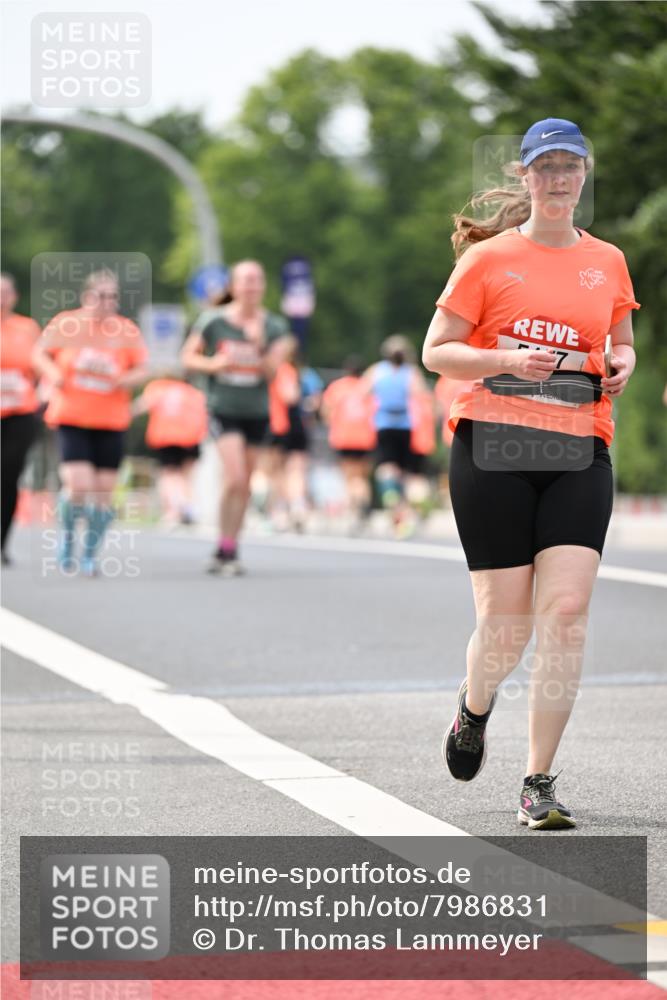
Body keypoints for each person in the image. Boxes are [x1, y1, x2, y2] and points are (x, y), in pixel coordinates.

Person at [422, 118, 639, 830]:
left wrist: (621, 364)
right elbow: (437, 352)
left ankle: (537, 780)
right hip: (494, 447)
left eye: (567, 166)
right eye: (542, 167)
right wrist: (505, 361)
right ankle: (472, 705)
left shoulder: (605, 260)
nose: (555, 178)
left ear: (583, 175)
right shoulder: (488, 262)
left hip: (579, 447)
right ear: (524, 177)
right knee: (506, 626)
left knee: (566, 616)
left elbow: (620, 343)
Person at [33, 269, 149, 576]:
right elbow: (39, 354)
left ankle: (90, 554)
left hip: (111, 421)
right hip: (71, 416)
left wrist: (124, 379)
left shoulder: (127, 331)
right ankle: (68, 539)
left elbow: (143, 369)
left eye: (112, 297)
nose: (106, 302)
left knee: (103, 494)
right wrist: (53, 374)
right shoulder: (67, 324)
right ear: (87, 297)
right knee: (79, 485)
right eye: (100, 295)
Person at [181, 259, 292, 575]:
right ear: (233, 286)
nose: (251, 286)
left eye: (257, 280)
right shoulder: (213, 321)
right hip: (223, 408)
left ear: (263, 287)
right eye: (245, 280)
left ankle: (228, 547)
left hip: (255, 411)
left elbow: (272, 373)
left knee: (243, 486)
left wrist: (258, 344)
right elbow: (187, 357)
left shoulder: (275, 327)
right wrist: (213, 365)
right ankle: (224, 542)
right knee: (236, 477)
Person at [363, 335, 428, 536]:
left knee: (386, 468)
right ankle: (411, 510)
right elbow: (421, 395)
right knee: (407, 473)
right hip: (405, 425)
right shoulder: (411, 373)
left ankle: (392, 499)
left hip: (383, 424)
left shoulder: (376, 371)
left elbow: (363, 392)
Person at [1, 273, 41, 565]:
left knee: (8, 476)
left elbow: (40, 367)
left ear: (14, 297)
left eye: (5, 292)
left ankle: (1, 543)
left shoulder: (27, 328)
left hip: (19, 413)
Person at [133, 370, 208, 526]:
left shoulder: (159, 387)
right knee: (186, 477)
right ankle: (188, 505)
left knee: (168, 475)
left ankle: (173, 511)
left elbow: (141, 405)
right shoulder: (194, 393)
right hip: (192, 438)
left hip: (167, 438)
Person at [321, 355, 376, 528]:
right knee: (361, 477)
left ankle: (354, 507)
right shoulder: (367, 388)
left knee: (349, 477)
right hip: (365, 438)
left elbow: (326, 412)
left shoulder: (337, 387)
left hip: (343, 437)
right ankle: (363, 504)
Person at [266, 337, 311, 532]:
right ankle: (297, 507)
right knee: (296, 468)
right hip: (295, 423)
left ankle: (282, 510)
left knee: (278, 471)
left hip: (281, 423)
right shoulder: (301, 372)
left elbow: (289, 396)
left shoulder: (281, 370)